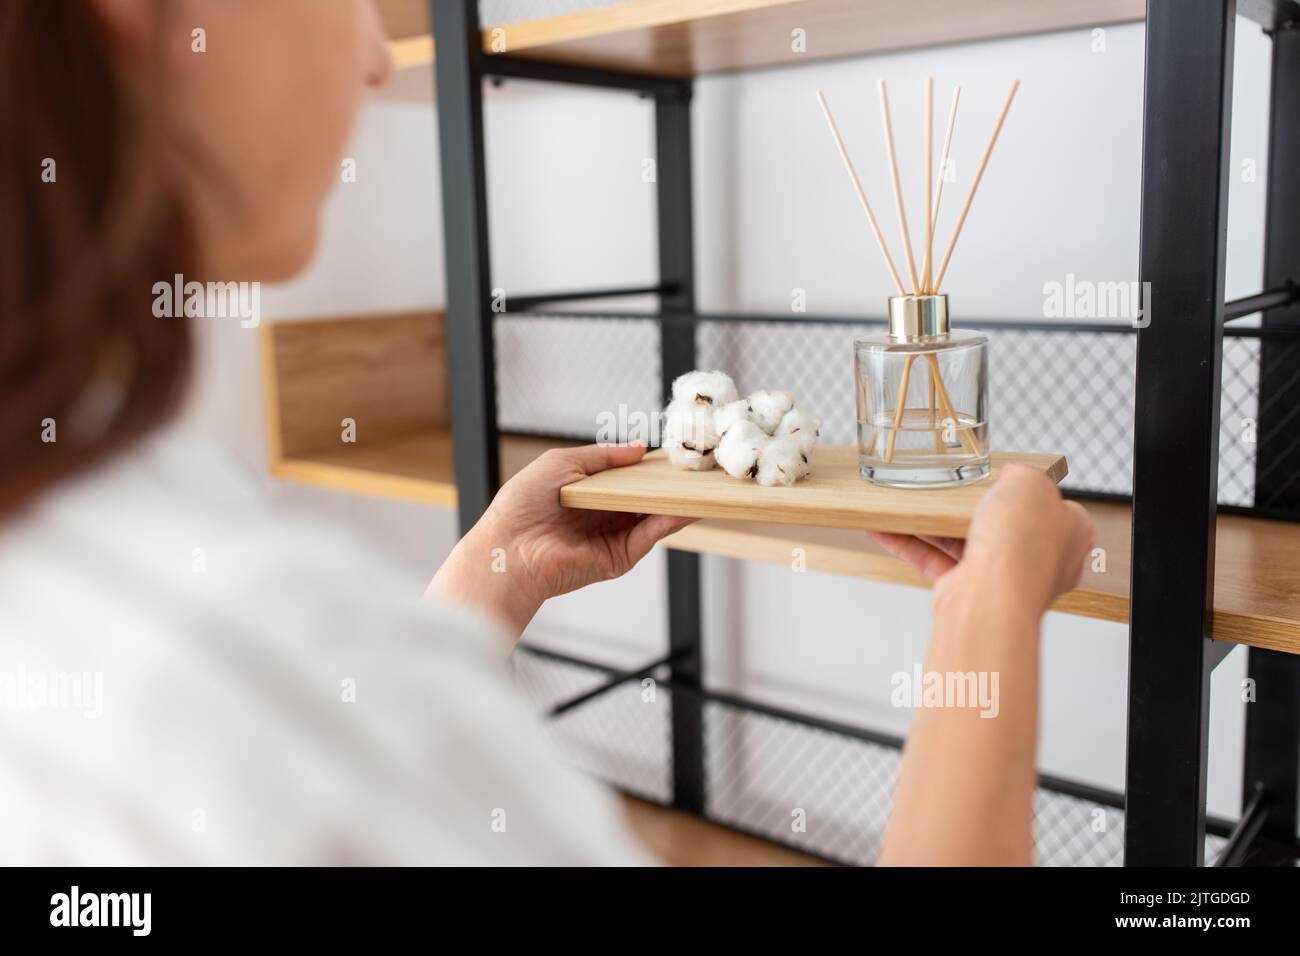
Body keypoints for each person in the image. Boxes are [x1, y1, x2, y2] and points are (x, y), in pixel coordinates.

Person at [0, 0, 1094, 865]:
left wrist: (493, 572)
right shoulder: (249, 645)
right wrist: (987, 611)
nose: (378, 59)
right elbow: (318, 716)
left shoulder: (81, 557)